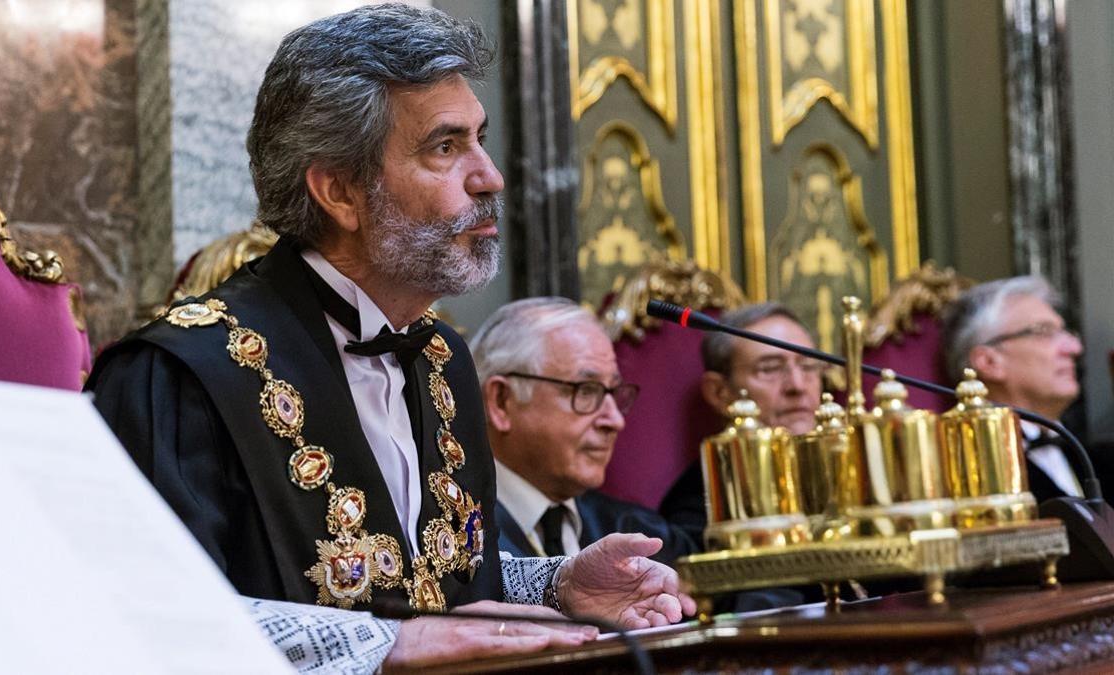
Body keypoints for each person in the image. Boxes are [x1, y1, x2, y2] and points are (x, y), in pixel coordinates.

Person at [87, 5, 692, 673]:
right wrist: (387, 645)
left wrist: (558, 587)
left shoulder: (441, 357)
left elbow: (440, 583)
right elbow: (145, 616)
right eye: (445, 146)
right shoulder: (179, 374)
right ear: (339, 191)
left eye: (479, 139)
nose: (488, 175)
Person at [470, 297, 698, 565]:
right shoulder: (453, 535)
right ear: (501, 401)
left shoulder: (634, 533)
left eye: (613, 392)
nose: (614, 420)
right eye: (586, 391)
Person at [659, 303, 823, 545]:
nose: (798, 385)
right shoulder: (697, 507)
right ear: (720, 392)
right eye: (770, 369)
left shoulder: (850, 468)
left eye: (809, 366)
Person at [941, 276, 1086, 501]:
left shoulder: (1093, 458)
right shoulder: (964, 472)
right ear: (989, 362)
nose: (1074, 347)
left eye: (1066, 332)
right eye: (1044, 331)